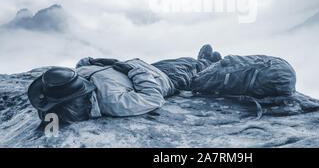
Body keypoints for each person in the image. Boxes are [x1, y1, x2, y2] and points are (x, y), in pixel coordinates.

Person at [27, 44, 222, 124]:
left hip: (142, 66)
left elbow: (82, 63)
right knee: (189, 67)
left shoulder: (75, 81)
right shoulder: (113, 102)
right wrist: (131, 70)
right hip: (164, 78)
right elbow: (153, 98)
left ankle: (202, 61)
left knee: (183, 60)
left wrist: (101, 61)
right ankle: (207, 63)